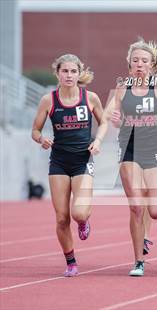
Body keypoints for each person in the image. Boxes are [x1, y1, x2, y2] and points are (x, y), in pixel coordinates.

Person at [31, 54, 106, 277]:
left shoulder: (90, 98)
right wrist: (41, 139)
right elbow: (35, 130)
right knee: (62, 217)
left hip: (83, 160)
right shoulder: (49, 100)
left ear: (79, 73)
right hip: (59, 163)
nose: (69, 75)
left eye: (73, 71)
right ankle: (71, 261)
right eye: (65, 71)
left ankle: (84, 222)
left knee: (79, 213)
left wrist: (98, 141)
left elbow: (103, 123)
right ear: (58, 73)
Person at [109, 39, 157, 276]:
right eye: (135, 60)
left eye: (144, 61)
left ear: (151, 65)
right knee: (137, 207)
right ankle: (138, 260)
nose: (140, 64)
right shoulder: (121, 88)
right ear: (129, 65)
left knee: (156, 210)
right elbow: (113, 115)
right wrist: (115, 119)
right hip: (128, 150)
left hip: (154, 150)